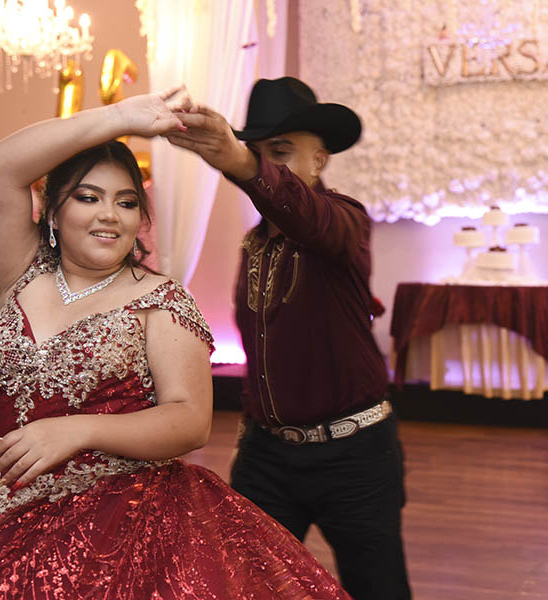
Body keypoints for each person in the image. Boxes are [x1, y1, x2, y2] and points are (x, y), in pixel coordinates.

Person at [0, 87, 350, 599]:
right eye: (88, 197)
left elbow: (190, 420)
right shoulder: (17, 273)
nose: (110, 215)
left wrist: (77, 430)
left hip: (125, 519)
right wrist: (122, 117)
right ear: (52, 212)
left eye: (126, 202)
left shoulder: (160, 299)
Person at [167, 77, 412, 599]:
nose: (267, 165)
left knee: (378, 588)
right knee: (245, 587)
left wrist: (240, 162)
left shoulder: (344, 221)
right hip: (268, 457)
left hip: (356, 456)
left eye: (279, 153)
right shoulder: (255, 245)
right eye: (258, 153)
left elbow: (306, 213)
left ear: (319, 162)